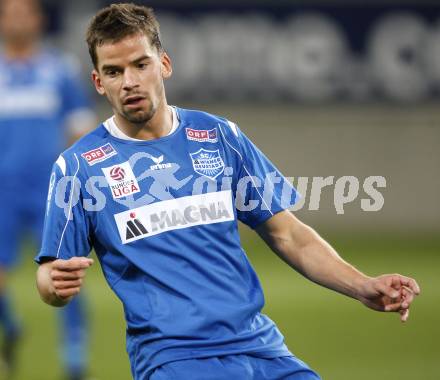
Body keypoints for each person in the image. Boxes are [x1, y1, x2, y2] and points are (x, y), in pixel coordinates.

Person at [35, 3, 420, 380]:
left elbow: (288, 234)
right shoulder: (79, 167)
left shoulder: (219, 137)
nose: (130, 81)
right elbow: (50, 274)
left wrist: (361, 285)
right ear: (98, 82)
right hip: (174, 358)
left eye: (141, 64)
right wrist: (54, 286)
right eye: (114, 71)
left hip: (260, 347)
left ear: (164, 64)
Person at [0, 0, 95, 379]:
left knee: (63, 273)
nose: (19, 19)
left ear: (38, 20)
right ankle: (10, 327)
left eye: (26, 12)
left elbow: (81, 128)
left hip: (50, 193)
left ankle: (74, 359)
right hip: (2, 194)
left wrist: (87, 183)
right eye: (11, 12)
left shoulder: (60, 70)